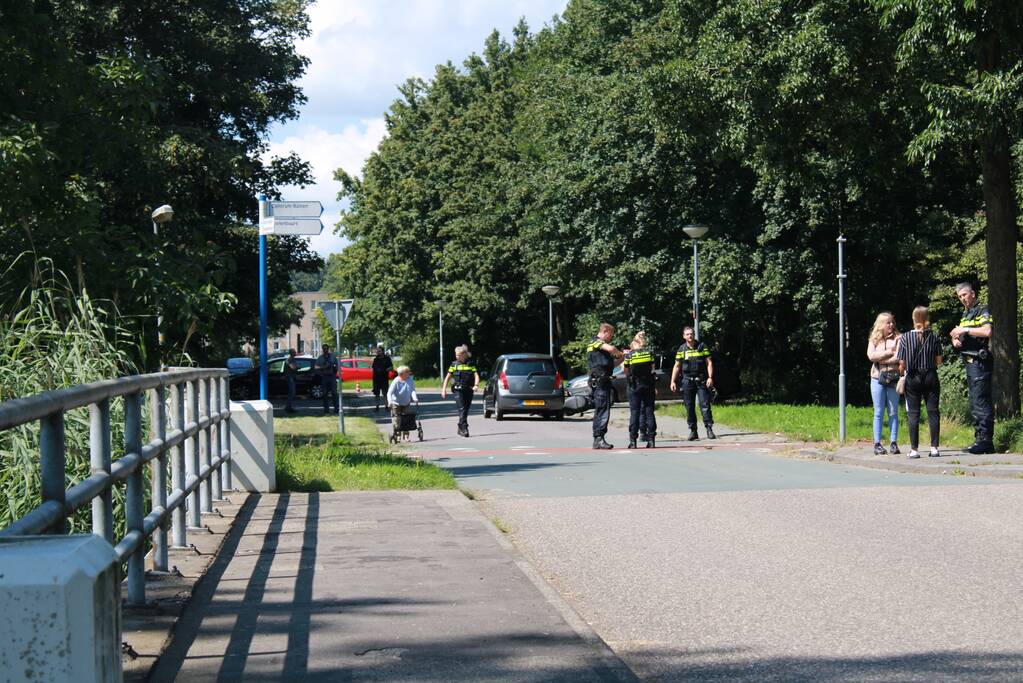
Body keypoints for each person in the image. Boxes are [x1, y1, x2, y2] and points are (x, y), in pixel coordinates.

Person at [949, 282, 995, 454]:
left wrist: (965, 329)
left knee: (981, 401)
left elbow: (987, 331)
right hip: (969, 361)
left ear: (973, 294)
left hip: (980, 361)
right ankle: (979, 439)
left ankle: (986, 441)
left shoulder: (982, 309)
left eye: (965, 295)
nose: (963, 299)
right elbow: (962, 335)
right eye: (960, 297)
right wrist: (956, 340)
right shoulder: (966, 314)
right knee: (975, 402)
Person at [899, 306, 943, 458]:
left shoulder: (905, 337)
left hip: (913, 377)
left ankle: (914, 450)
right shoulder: (935, 336)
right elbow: (939, 361)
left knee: (913, 413)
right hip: (930, 375)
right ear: (927, 318)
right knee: (933, 412)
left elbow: (902, 363)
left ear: (913, 319)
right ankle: (934, 448)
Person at [670, 326, 715, 440]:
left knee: (704, 405)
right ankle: (693, 431)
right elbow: (677, 366)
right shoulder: (681, 349)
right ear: (684, 336)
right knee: (689, 407)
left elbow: (709, 362)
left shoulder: (702, 346)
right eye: (687, 334)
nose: (690, 336)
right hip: (687, 381)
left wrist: (710, 377)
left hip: (701, 380)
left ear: (694, 335)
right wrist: (673, 381)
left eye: (691, 334)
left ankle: (709, 429)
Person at [866, 312, 901, 455]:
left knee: (893, 412)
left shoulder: (899, 338)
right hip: (877, 379)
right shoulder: (874, 339)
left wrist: (881, 359)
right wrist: (888, 353)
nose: (891, 325)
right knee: (878, 412)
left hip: (894, 379)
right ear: (881, 325)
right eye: (888, 323)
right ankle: (877, 443)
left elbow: (899, 357)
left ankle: (894, 442)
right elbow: (871, 356)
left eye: (892, 322)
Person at [587, 323, 624, 449]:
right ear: (604, 331)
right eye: (611, 335)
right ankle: (599, 438)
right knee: (602, 410)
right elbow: (612, 349)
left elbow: (611, 364)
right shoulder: (595, 342)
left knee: (602, 409)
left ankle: (599, 438)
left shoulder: (600, 349)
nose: (611, 337)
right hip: (600, 381)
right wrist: (618, 353)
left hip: (604, 380)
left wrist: (623, 357)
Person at [623, 333, 657, 449]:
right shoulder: (650, 353)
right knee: (649, 412)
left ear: (635, 343)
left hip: (634, 386)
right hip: (648, 385)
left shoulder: (629, 355)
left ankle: (633, 441)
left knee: (635, 413)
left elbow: (626, 371)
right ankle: (651, 440)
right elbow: (653, 369)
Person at [441, 345, 479, 438]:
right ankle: (464, 428)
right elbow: (447, 377)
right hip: (458, 390)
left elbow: (476, 375)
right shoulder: (454, 365)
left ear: (464, 355)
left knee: (466, 409)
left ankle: (460, 427)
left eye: (458, 355)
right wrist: (443, 389)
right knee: (462, 409)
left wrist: (476, 385)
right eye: (456, 355)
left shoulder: (471, 364)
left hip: (469, 390)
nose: (456, 356)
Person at [387, 365, 419, 439]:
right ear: (401, 374)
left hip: (406, 403)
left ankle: (406, 435)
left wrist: (415, 398)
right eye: (407, 372)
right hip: (396, 403)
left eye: (408, 372)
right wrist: (390, 401)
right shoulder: (396, 381)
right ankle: (397, 435)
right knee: (397, 419)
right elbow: (389, 393)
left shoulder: (410, 380)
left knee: (406, 419)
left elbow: (412, 390)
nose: (409, 373)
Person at [314, 344, 338, 415]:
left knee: (334, 393)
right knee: (324, 394)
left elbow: (337, 366)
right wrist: (323, 367)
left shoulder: (333, 357)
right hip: (324, 377)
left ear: (328, 349)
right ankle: (326, 410)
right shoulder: (320, 358)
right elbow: (315, 367)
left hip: (332, 377)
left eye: (326, 349)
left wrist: (334, 369)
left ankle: (336, 409)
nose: (325, 350)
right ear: (322, 349)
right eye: (324, 349)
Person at [371, 346, 394, 412]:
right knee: (376, 394)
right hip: (376, 379)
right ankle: (377, 406)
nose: (378, 352)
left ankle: (386, 406)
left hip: (384, 378)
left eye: (379, 351)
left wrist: (385, 370)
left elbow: (391, 367)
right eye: (377, 351)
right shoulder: (376, 359)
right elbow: (373, 368)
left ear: (383, 351)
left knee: (385, 393)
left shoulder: (387, 358)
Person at [284, 348, 299, 413]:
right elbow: (293, 367)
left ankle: (288, 407)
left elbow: (295, 367)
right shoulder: (289, 360)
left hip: (292, 377)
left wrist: (296, 367)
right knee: (291, 393)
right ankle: (288, 408)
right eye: (294, 352)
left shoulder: (292, 359)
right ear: (291, 353)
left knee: (292, 393)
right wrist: (297, 367)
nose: (295, 352)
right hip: (290, 378)